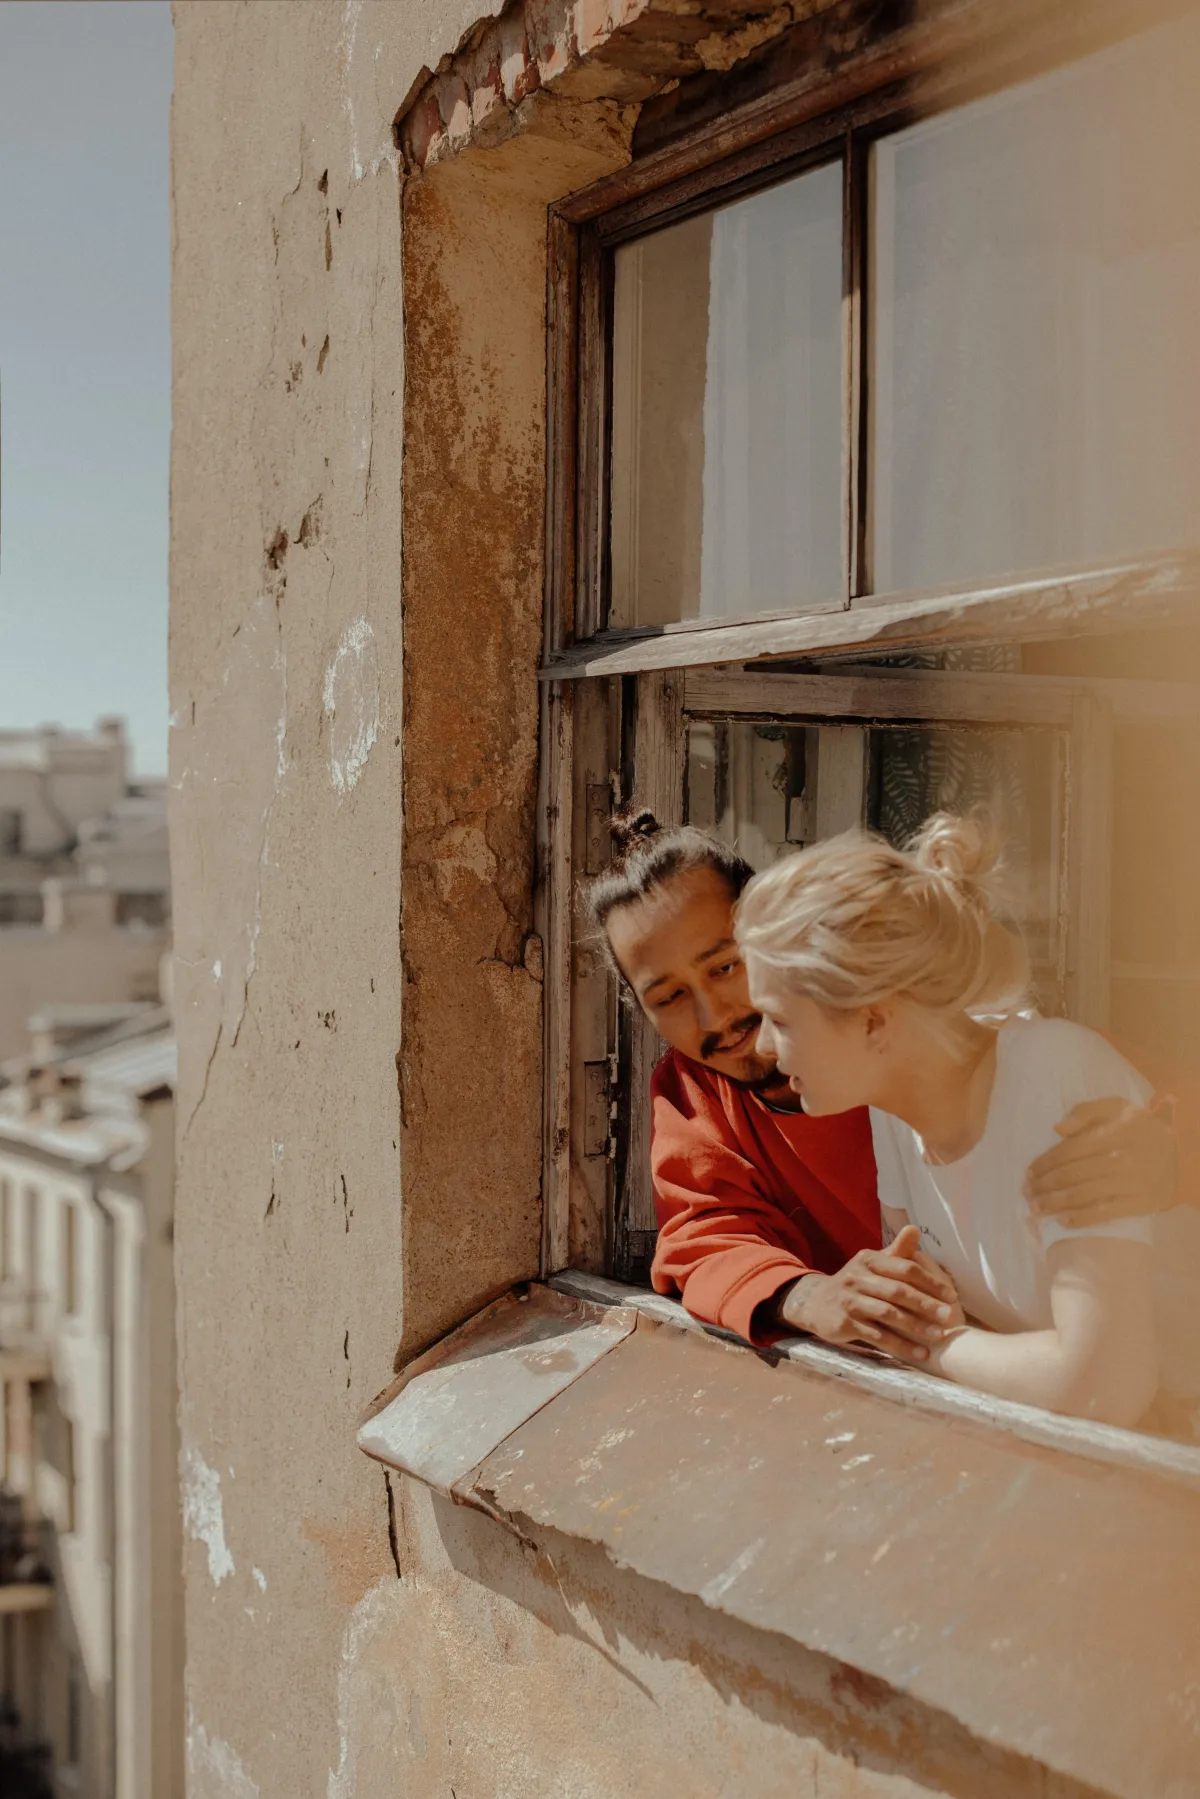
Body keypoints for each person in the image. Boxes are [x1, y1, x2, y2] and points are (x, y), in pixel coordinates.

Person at [588, 812, 1183, 1370]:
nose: (715, 1014)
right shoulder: (691, 1091)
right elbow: (704, 1236)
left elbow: (1141, 1105)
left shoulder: (951, 1036)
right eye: (668, 997)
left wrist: (1167, 1160)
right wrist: (807, 1296)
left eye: (725, 966)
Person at [735, 813, 1183, 1426]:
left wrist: (933, 1347)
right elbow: (934, 1314)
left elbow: (1103, 1388)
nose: (763, 1046)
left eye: (780, 1020)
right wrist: (931, 1333)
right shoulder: (892, 1112)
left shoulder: (1054, 1076)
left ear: (874, 1021)